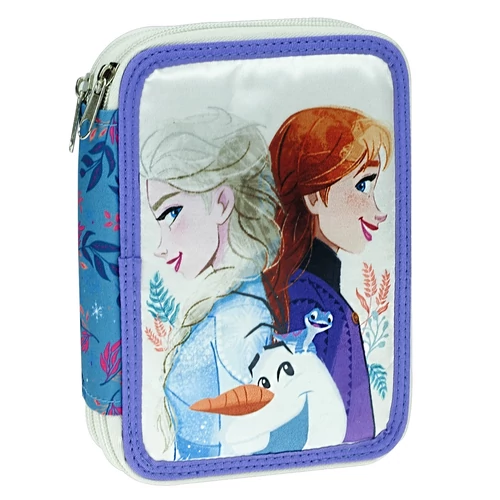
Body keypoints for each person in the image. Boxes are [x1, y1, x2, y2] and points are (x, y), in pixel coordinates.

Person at [140, 108, 280, 460]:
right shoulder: (239, 303)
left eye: (171, 213)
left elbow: (242, 445)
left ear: (222, 202)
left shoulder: (235, 322)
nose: (160, 246)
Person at [263, 106, 392, 442]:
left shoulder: (297, 293)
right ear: (314, 198)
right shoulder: (313, 309)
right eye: (362, 185)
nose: (378, 211)